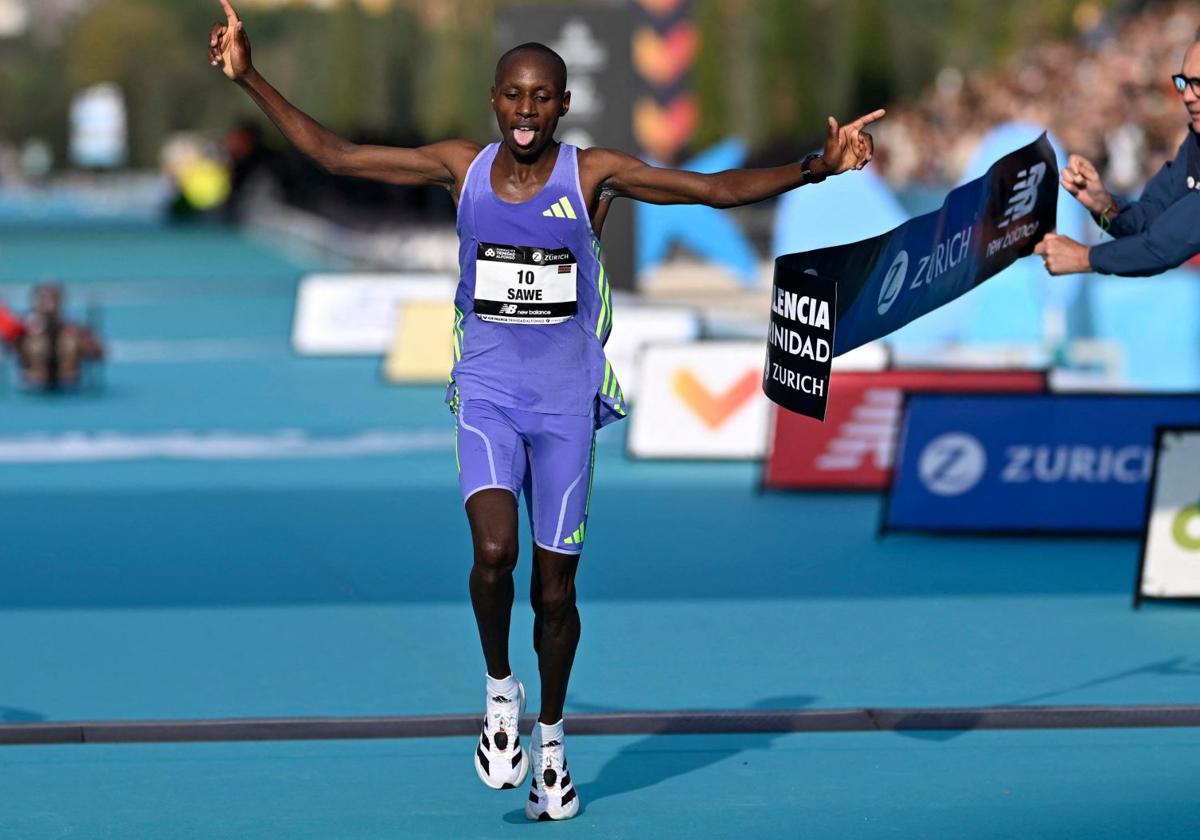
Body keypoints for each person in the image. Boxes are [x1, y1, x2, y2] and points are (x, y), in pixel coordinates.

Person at [209, 0, 882, 821]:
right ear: (494, 100)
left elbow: (712, 190)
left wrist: (819, 165)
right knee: (494, 553)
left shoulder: (593, 174)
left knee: (556, 595)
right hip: (488, 393)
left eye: (542, 98)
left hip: (567, 405)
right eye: (513, 96)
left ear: (563, 106)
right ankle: (501, 695)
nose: (527, 112)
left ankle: (553, 746)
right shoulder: (461, 168)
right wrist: (251, 80)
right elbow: (339, 154)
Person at [1036, 36, 1200, 276]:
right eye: (1184, 82)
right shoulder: (1196, 144)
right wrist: (1106, 207)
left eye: (1199, 83)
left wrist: (1084, 258)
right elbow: (1149, 221)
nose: (1187, 96)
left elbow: (1163, 247)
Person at [7, 284, 104, 391]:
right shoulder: (23, 331)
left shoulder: (76, 331)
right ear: (36, 301)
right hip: (34, 388)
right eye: (44, 299)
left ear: (61, 302)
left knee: (69, 341)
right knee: (36, 343)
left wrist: (89, 341)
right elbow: (9, 352)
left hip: (69, 388)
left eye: (53, 298)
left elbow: (99, 355)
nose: (49, 304)